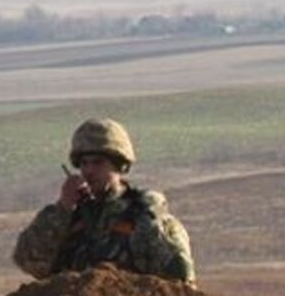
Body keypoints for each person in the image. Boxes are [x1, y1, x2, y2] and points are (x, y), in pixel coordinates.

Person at [13, 118, 195, 283]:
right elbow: (30, 261)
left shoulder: (144, 217)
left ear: (119, 165)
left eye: (98, 162)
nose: (89, 171)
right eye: (84, 163)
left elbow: (180, 285)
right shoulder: (69, 217)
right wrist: (63, 208)